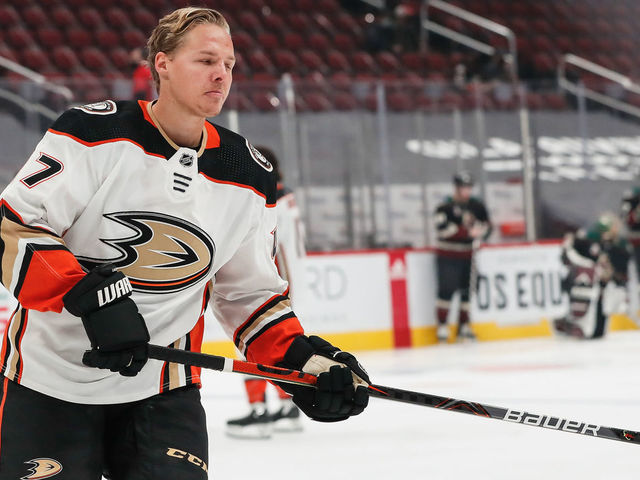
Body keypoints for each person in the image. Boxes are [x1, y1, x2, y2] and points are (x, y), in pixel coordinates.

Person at [0, 8, 370, 479]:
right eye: (206, 60)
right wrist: (88, 299)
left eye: (229, 64)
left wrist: (301, 361)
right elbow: (12, 226)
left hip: (162, 389)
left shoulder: (248, 174)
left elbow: (250, 294)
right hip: (47, 383)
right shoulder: (92, 134)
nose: (221, 75)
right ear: (163, 63)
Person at [226, 146, 307, 439]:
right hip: (289, 278)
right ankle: (287, 406)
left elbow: (268, 245)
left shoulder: (266, 198)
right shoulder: (286, 195)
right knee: (276, 345)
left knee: (253, 341)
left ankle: (259, 409)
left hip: (274, 281)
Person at [433, 171, 491, 342]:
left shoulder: (477, 206)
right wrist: (466, 232)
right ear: (456, 188)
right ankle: (442, 326)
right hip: (449, 255)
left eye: (468, 187)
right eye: (463, 187)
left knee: (469, 290)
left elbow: (487, 226)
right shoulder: (445, 207)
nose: (466, 190)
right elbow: (443, 229)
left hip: (468, 254)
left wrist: (480, 232)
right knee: (447, 289)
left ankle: (463, 326)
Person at [554, 214, 631, 339]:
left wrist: (611, 275)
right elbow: (569, 251)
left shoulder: (617, 247)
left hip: (601, 286)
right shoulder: (589, 242)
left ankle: (592, 329)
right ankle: (572, 324)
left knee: (601, 310)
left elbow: (618, 271)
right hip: (585, 284)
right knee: (582, 303)